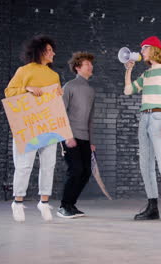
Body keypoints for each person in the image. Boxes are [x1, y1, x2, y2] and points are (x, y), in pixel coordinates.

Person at [123, 36, 161, 223]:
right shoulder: (147, 74)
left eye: (144, 48)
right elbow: (128, 90)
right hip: (144, 118)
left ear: (154, 49)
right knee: (145, 165)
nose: (141, 52)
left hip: (159, 117)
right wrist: (129, 71)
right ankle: (152, 208)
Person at [4, 35, 63, 222]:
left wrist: (58, 95)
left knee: (49, 165)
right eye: (49, 50)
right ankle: (18, 202)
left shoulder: (54, 76)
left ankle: (44, 202)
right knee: (24, 166)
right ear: (40, 51)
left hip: (48, 124)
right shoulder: (24, 71)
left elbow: (55, 103)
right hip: (27, 125)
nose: (53, 53)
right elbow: (9, 92)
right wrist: (27, 88)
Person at [56, 52, 96, 219]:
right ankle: (64, 206)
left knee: (86, 171)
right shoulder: (69, 86)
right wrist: (67, 136)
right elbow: (60, 112)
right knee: (76, 170)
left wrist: (91, 141)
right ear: (78, 67)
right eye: (87, 64)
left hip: (85, 138)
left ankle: (71, 205)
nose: (91, 67)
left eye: (91, 64)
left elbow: (90, 117)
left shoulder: (90, 90)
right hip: (70, 136)